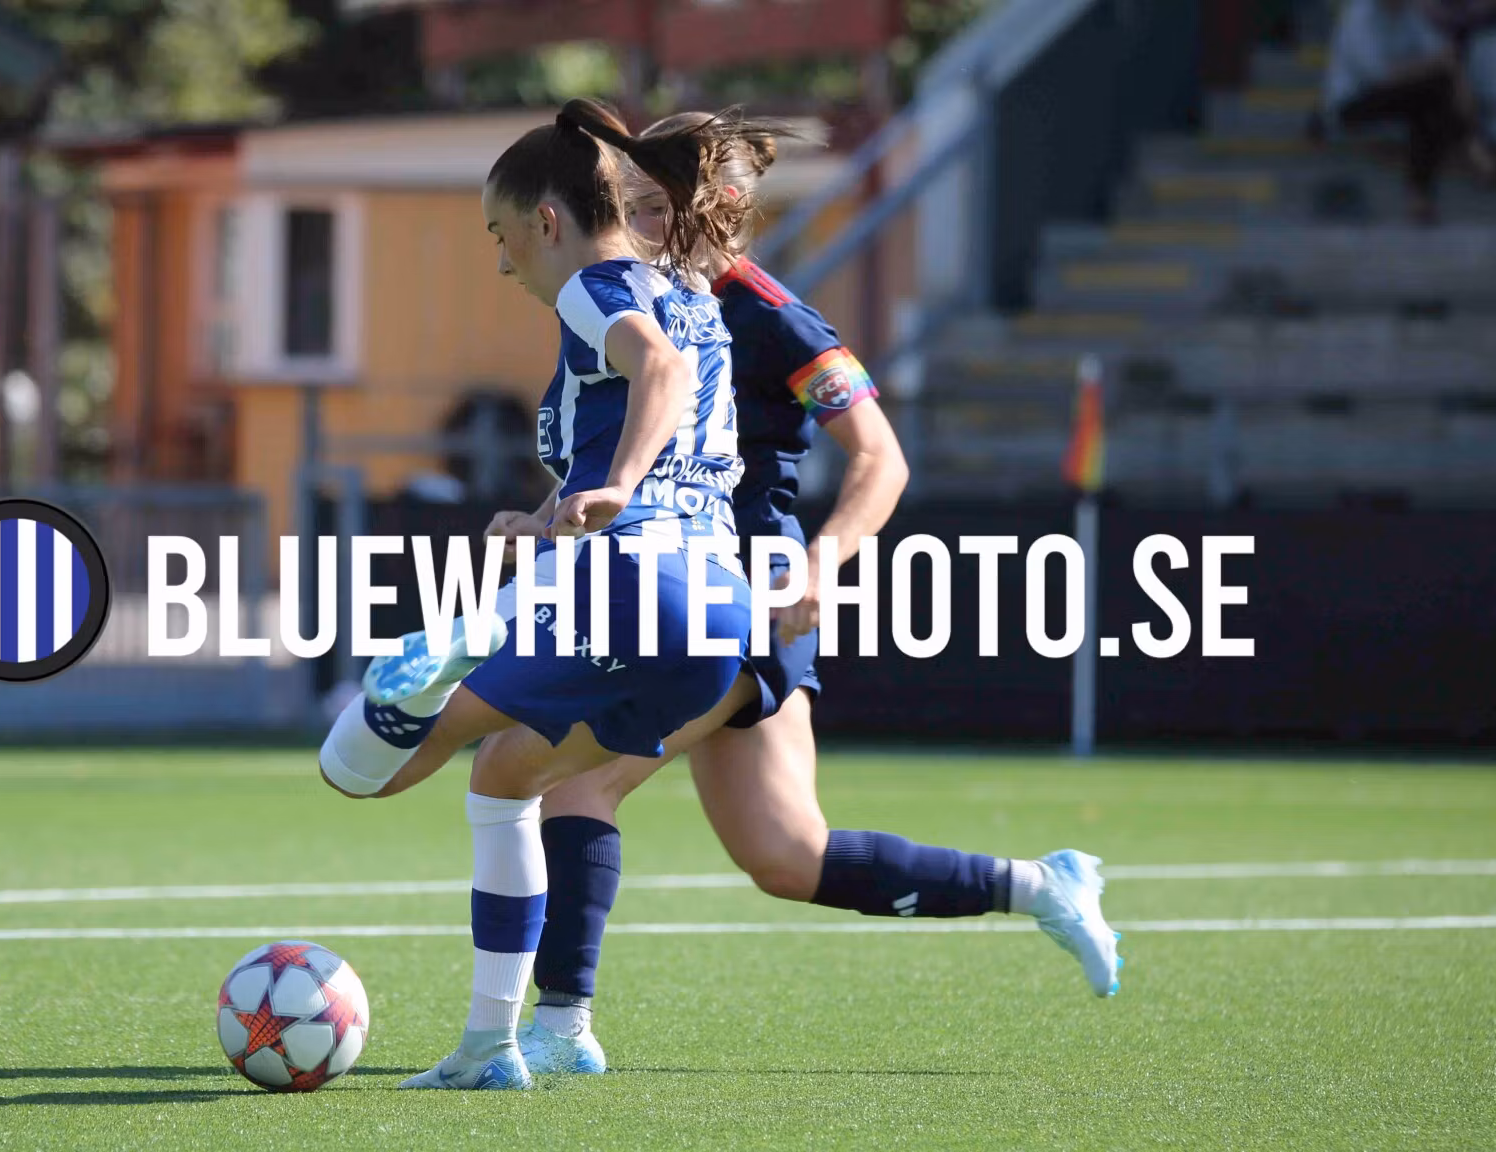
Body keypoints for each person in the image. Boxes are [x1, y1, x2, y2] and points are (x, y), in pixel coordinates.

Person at [489, 113, 1123, 1078]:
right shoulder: (622, 299)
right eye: (630, 205)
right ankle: (1040, 885)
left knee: (573, 774)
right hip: (667, 589)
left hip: (741, 591)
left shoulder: (768, 313)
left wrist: (822, 563)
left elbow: (881, 457)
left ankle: (559, 1026)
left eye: (654, 207)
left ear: (719, 211)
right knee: (788, 856)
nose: (635, 223)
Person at [314, 98, 787, 1091]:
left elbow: (650, 376)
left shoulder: (589, 287)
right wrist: (554, 511)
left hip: (629, 583)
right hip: (716, 614)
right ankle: (511, 1042)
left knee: (362, 774)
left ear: (545, 221)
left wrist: (612, 489)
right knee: (504, 777)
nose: (500, 263)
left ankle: (436, 658)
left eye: (498, 235)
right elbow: (646, 409)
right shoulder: (692, 291)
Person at [1321, 0, 1496, 224]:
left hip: (1403, 97)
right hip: (1352, 103)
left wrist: (1460, 84)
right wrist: (1436, 68)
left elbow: (1443, 52)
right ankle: (1475, 150)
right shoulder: (1359, 15)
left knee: (1429, 106)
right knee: (1433, 89)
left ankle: (1421, 198)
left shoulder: (1409, 14)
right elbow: (1379, 75)